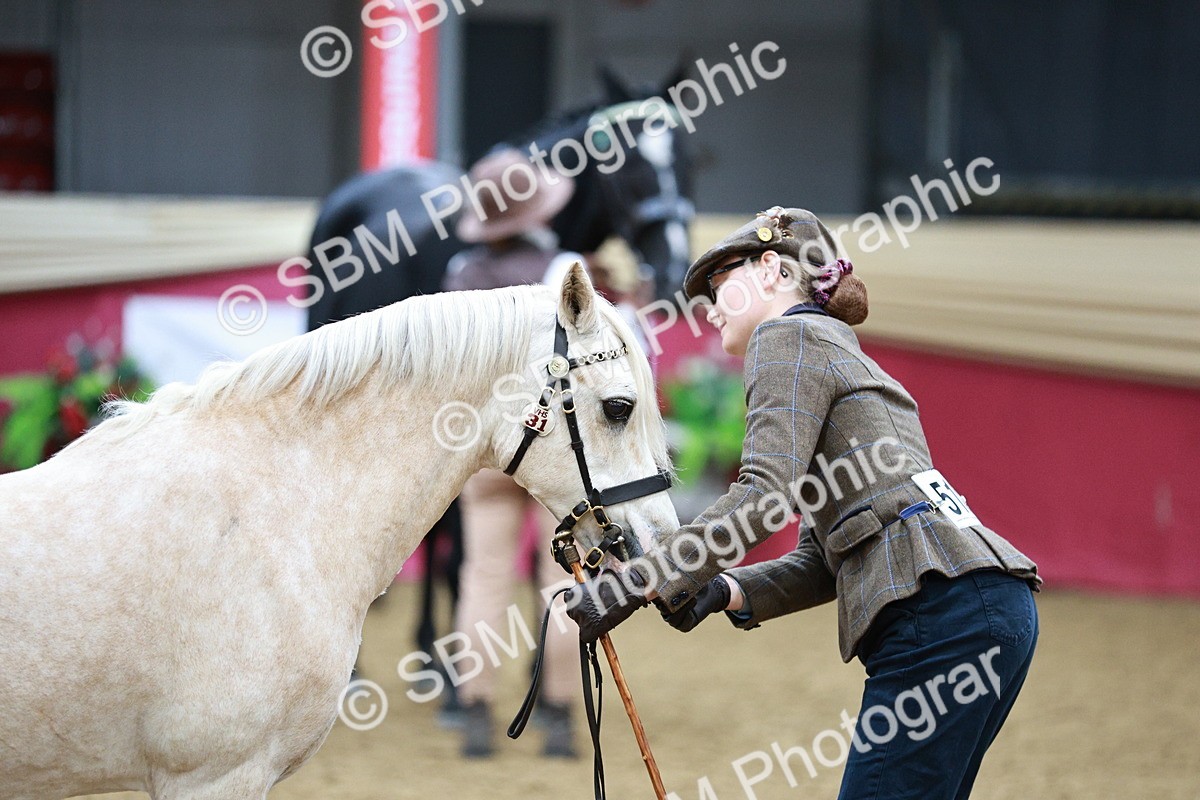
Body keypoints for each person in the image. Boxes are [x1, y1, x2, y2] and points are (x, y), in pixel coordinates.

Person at [566, 207, 1041, 799]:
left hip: (940, 615)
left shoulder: (785, 336)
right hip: (988, 609)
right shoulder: (833, 348)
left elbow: (765, 496)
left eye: (719, 283)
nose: (709, 305)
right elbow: (823, 561)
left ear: (771, 269)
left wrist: (637, 581)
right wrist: (721, 591)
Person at [446, 148, 582, 759]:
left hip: (486, 447)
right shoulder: (565, 268)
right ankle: (557, 718)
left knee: (483, 577)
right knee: (563, 582)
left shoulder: (461, 273)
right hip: (554, 445)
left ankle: (475, 711)